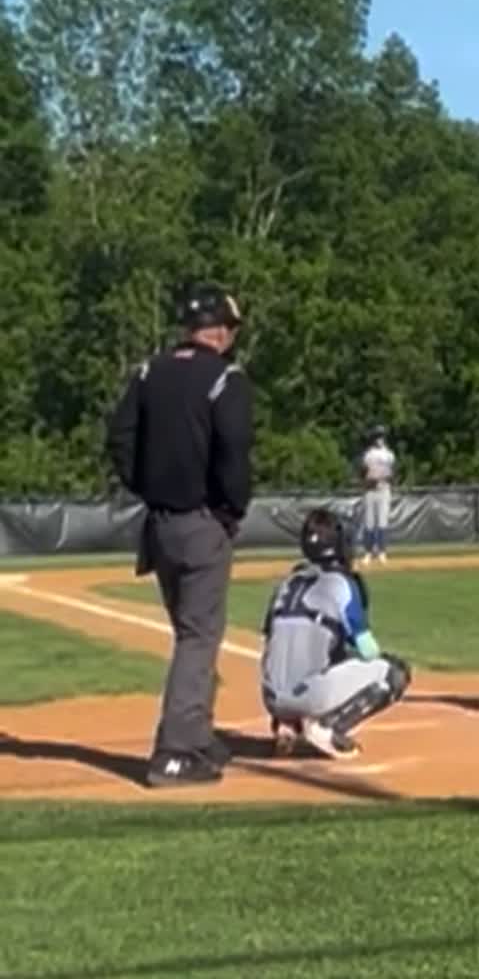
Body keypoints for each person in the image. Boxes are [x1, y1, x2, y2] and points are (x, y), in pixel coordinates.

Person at [105, 283, 254, 788]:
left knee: (189, 630)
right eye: (231, 328)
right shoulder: (225, 379)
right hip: (202, 521)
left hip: (158, 524)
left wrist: (144, 485)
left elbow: (120, 437)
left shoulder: (149, 372)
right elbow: (234, 450)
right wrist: (230, 507)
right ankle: (174, 751)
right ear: (219, 330)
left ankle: (198, 735)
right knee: (198, 636)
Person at [260, 508, 411, 759]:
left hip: (271, 697)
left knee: (306, 648)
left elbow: (269, 640)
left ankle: (286, 725)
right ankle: (329, 727)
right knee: (394, 673)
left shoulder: (286, 583)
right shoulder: (342, 583)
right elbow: (368, 649)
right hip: (308, 695)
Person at [358, 425, 396, 563]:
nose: (379, 439)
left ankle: (381, 551)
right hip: (369, 490)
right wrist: (367, 480)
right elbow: (361, 472)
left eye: (381, 436)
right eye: (377, 436)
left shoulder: (389, 454)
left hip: (384, 489)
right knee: (369, 522)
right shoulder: (368, 454)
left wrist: (386, 478)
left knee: (382, 521)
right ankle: (368, 552)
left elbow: (393, 472)